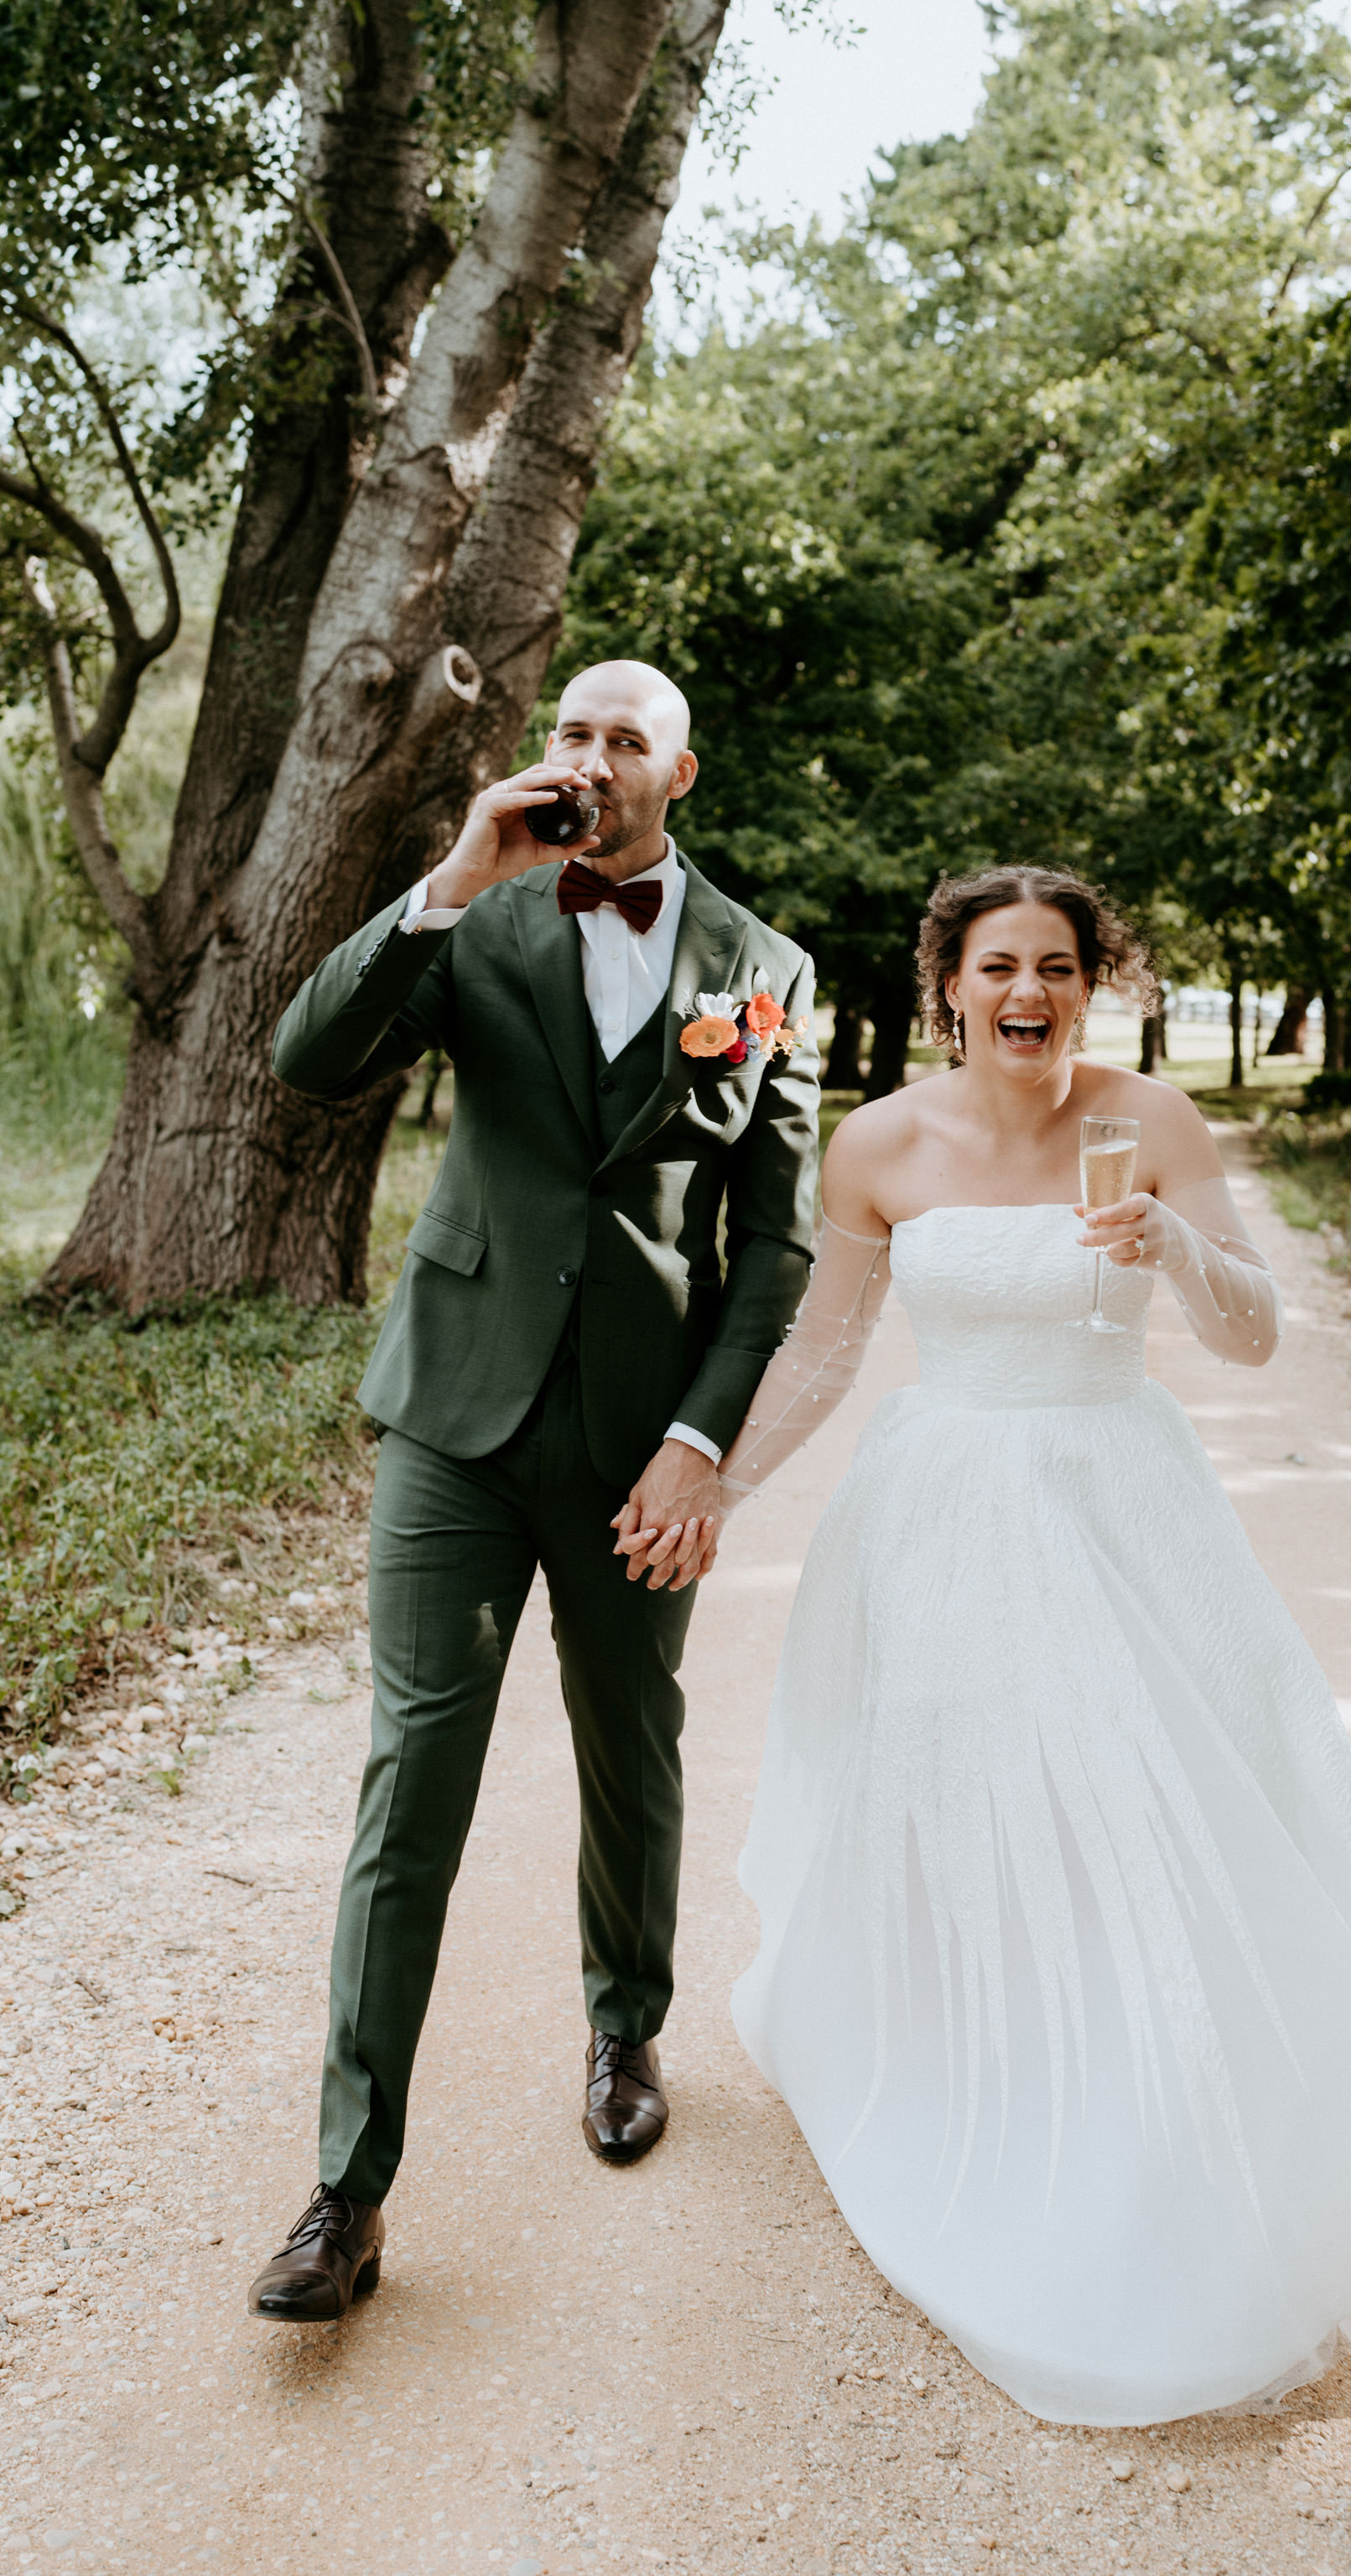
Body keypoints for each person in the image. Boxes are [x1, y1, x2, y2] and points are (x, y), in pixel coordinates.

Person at [717, 864, 1351, 2425]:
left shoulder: (1153, 1119)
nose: (1028, 991)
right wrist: (715, 1482)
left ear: (1090, 984)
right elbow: (825, 1349)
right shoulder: (879, 1144)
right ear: (951, 987)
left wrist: (1168, 1249)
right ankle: (988, 2049)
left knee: (1174, 1797)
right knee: (976, 1793)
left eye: (1057, 966)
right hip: (941, 1507)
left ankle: (1164, 2106)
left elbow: (1254, 1332)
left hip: (1120, 1494)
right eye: (999, 966)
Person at [247, 661, 819, 2322]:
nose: (590, 758)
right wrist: (453, 873)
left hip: (642, 1447)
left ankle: (625, 2025)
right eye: (572, 732)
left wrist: (701, 1445)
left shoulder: (765, 971)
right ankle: (347, 2193)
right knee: (411, 1781)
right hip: (456, 1425)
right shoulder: (477, 916)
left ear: (678, 774)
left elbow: (775, 1245)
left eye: (625, 740)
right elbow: (308, 1056)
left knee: (630, 1748)